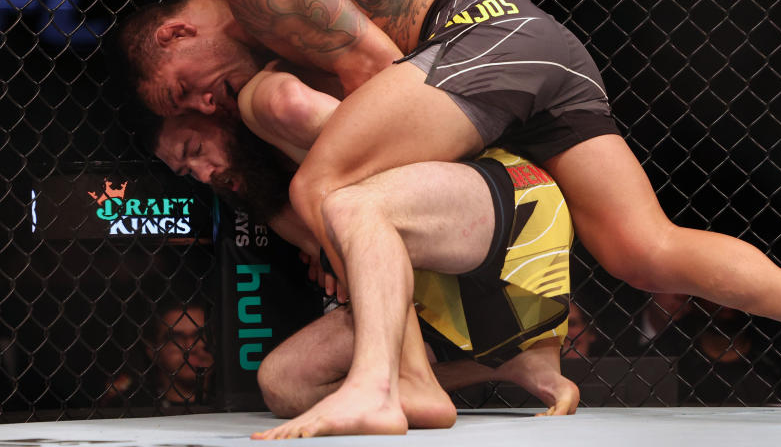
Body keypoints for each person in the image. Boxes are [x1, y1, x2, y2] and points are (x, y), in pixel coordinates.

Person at [117, 0, 781, 434]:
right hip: (537, 52)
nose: (202, 103)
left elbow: (377, 68)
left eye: (183, 86)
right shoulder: (259, 50)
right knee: (644, 250)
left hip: (481, 41)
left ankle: (393, 384)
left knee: (327, 185)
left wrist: (407, 203)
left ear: (179, 31)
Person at [148, 73, 580, 436]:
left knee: (351, 205)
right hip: (439, 287)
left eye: (197, 152)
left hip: (500, 212)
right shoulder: (268, 197)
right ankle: (502, 366)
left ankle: (392, 388)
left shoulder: (277, 102)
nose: (207, 175)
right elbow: (354, 261)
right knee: (283, 384)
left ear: (215, 112)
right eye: (189, 174)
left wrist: (346, 236)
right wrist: (338, 253)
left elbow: (397, 159)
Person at [103, 300, 213, 409]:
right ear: (153, 351)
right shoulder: (132, 409)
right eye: (176, 338)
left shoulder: (227, 405)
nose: (191, 346)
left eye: (200, 335)